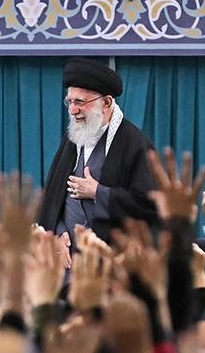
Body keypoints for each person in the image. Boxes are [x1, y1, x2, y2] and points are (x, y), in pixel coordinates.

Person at [37, 57, 158, 245]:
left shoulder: (135, 144)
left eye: (80, 102)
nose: (72, 110)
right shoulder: (72, 139)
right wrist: (59, 233)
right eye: (70, 102)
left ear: (107, 103)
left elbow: (149, 205)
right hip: (67, 257)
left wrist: (99, 193)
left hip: (110, 256)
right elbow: (53, 200)